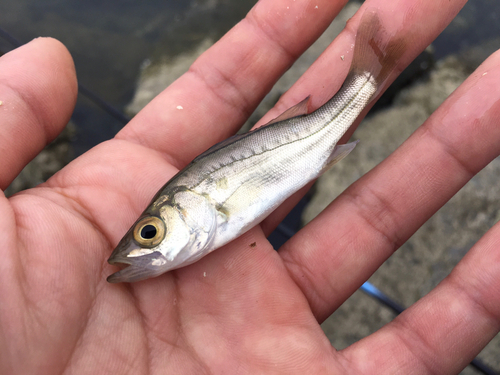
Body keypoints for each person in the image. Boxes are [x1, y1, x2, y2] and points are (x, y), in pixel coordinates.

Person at [0, 0, 498, 373]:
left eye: (149, 233)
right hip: (303, 148)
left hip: (305, 145)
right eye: (147, 235)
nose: (142, 246)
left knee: (361, 95)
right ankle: (371, 74)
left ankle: (370, 76)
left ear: (185, 207)